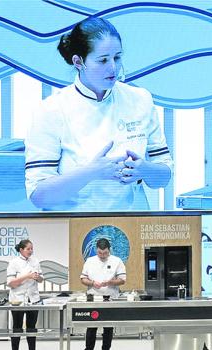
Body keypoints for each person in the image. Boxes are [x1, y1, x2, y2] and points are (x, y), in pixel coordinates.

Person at [24, 17, 173, 212]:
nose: (113, 67)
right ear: (78, 61)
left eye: (117, 57)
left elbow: (164, 176)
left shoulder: (140, 99)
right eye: (103, 60)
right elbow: (39, 196)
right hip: (73, 229)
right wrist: (91, 172)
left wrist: (144, 169)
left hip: (133, 225)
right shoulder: (51, 110)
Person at [78, 238, 126, 350]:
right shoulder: (90, 261)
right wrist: (93, 282)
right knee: (91, 327)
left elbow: (122, 280)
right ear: (96, 250)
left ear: (109, 250)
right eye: (100, 253)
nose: (102, 255)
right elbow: (83, 279)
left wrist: (109, 282)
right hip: (94, 298)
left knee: (108, 326)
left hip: (110, 298)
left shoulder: (117, 261)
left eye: (105, 253)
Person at [6, 239, 44, 350]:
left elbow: (41, 279)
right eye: (28, 249)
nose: (30, 251)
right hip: (18, 299)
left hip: (33, 299)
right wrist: (26, 276)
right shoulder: (14, 263)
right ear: (21, 250)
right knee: (17, 328)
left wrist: (38, 277)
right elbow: (11, 283)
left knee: (32, 328)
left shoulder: (35, 261)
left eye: (32, 248)